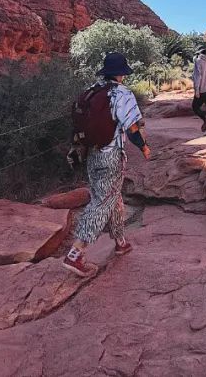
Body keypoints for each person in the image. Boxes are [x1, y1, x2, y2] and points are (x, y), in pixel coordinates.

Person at [62, 52, 152, 277]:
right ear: (121, 73)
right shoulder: (122, 94)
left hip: (93, 154)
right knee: (102, 202)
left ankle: (120, 241)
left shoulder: (92, 91)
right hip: (111, 156)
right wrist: (143, 147)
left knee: (112, 197)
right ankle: (75, 253)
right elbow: (132, 129)